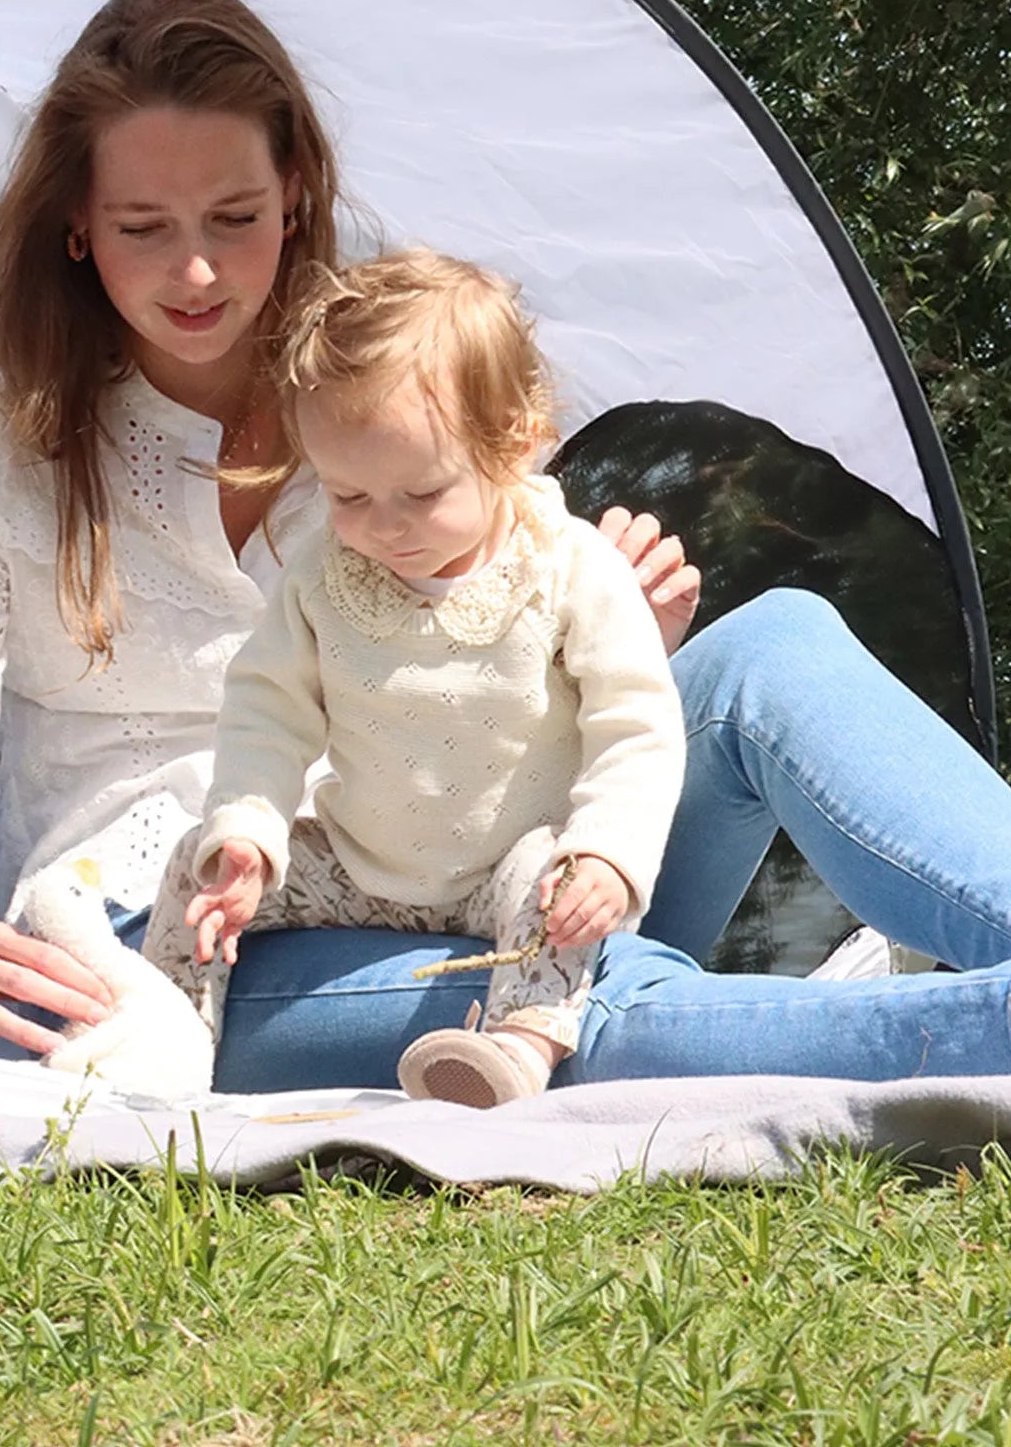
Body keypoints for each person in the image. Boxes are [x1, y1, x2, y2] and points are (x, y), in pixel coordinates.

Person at [0, 0, 1011, 1090]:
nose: (194, 268)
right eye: (142, 226)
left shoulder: (390, 381)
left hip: (491, 854)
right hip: (192, 937)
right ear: (74, 227)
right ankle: (973, 1029)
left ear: (295, 190)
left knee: (774, 651)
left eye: (234, 216)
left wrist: (612, 642)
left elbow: (507, 660)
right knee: (551, 1000)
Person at [142, 252, 686, 1106]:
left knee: (554, 884)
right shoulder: (324, 573)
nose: (384, 529)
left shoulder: (568, 565)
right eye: (347, 496)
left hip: (502, 870)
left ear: (512, 443)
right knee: (194, 863)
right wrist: (247, 832)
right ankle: (162, 1038)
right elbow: (267, 709)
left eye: (423, 493)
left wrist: (608, 858)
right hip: (360, 868)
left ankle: (518, 1047)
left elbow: (637, 725)